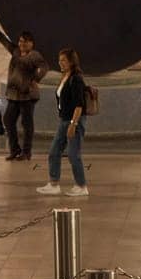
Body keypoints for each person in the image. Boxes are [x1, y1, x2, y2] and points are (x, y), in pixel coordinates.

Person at [0, 14, 48, 159]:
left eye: (25, 42)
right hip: (14, 95)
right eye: (21, 41)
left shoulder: (34, 55)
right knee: (8, 120)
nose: (22, 44)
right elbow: (4, 41)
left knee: (26, 124)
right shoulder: (15, 51)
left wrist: (36, 79)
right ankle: (14, 149)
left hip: (27, 95)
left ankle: (26, 152)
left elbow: (44, 67)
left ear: (31, 44)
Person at [37, 47, 90, 197]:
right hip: (64, 120)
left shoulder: (76, 79)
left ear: (72, 62)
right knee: (54, 151)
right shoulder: (65, 76)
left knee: (74, 155)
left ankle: (81, 186)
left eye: (64, 60)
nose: (60, 63)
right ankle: (54, 184)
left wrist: (73, 124)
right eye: (59, 60)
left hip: (74, 121)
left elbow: (79, 105)